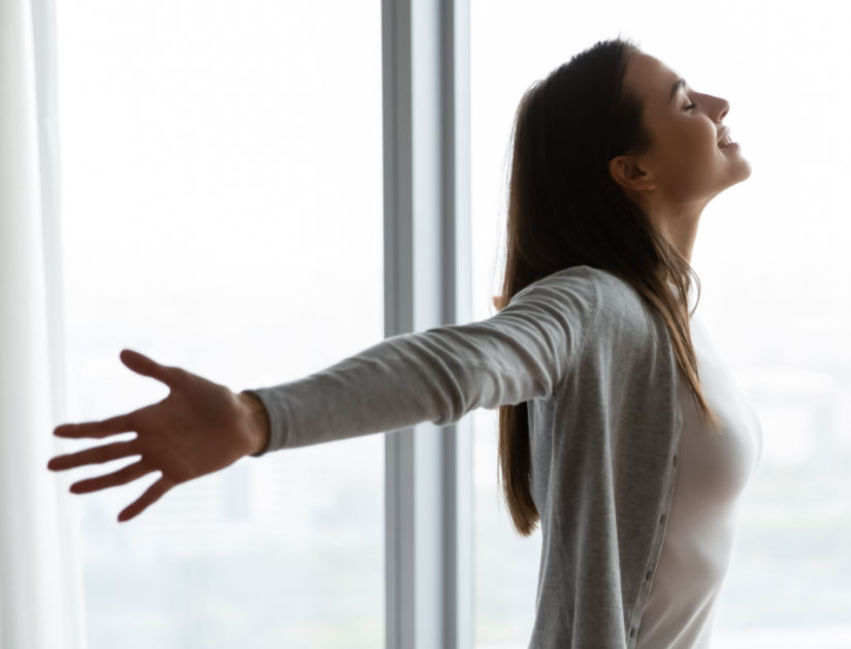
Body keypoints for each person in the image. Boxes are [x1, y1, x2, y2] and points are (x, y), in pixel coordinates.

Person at [46, 36, 762, 649]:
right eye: (685, 103)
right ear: (632, 171)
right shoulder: (599, 302)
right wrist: (258, 416)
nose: (718, 104)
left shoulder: (672, 316)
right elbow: (459, 363)